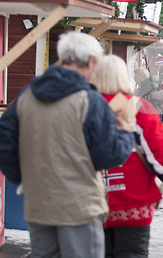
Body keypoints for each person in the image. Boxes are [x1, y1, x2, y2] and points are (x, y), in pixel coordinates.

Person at [0, 32, 135, 257]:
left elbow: (3, 143)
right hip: (79, 207)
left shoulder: (27, 96)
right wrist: (126, 134)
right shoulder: (90, 101)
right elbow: (108, 155)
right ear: (91, 61)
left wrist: (25, 178)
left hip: (39, 204)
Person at [92, 55, 163, 257]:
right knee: (132, 251)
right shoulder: (137, 106)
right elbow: (158, 150)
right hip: (133, 198)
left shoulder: (83, 108)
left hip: (92, 198)